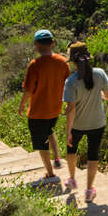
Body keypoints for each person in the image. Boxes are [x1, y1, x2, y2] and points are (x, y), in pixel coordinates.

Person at [19, 29, 70, 185]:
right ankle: (57, 158)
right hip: (55, 108)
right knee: (49, 131)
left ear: (36, 45)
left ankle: (50, 173)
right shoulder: (63, 62)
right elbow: (69, 85)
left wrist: (22, 105)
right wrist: (69, 104)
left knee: (41, 143)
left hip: (37, 111)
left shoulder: (35, 65)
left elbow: (28, 90)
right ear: (52, 43)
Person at [63, 42, 108, 203]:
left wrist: (68, 131)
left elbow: (71, 108)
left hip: (77, 124)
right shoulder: (100, 74)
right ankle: (89, 190)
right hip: (97, 122)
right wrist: (99, 96)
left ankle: (72, 179)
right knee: (93, 155)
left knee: (71, 151)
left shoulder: (71, 82)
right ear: (88, 58)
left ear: (73, 61)